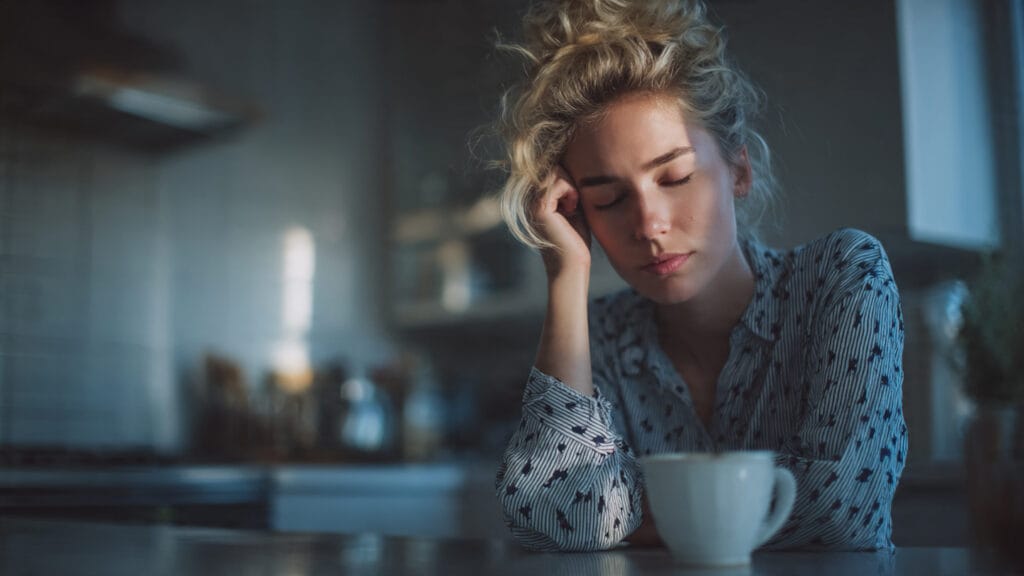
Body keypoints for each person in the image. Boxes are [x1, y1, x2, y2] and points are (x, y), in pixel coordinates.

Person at [492, 0, 908, 552]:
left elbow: (841, 507)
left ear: (738, 169)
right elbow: (548, 515)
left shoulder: (842, 278)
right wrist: (566, 275)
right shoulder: (601, 338)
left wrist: (628, 520)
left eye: (676, 177)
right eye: (610, 198)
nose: (648, 224)